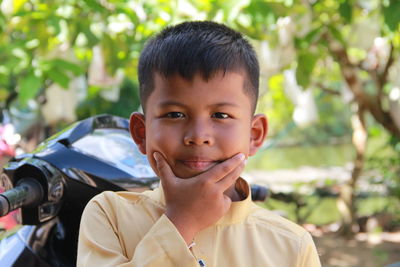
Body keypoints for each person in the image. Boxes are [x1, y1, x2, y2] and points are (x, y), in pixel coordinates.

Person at [77, 21, 321, 267]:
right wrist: (182, 221)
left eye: (221, 115)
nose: (198, 135)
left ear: (254, 135)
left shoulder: (291, 246)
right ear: (142, 133)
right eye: (174, 114)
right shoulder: (110, 216)